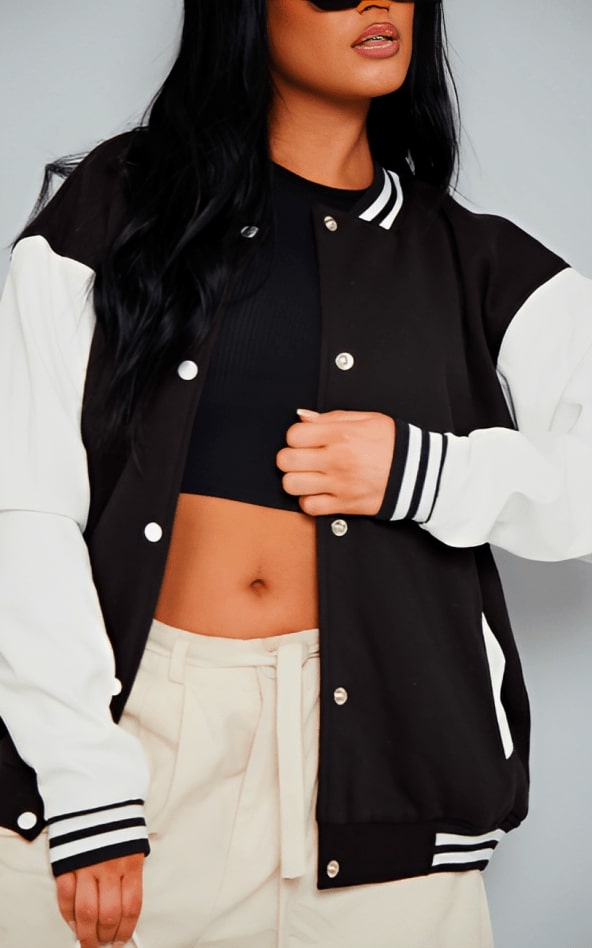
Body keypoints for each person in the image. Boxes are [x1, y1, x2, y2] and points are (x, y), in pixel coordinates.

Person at [1, 0, 591, 946]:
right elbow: (22, 503)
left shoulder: (472, 259)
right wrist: (86, 779)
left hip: (387, 777)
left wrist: (424, 473)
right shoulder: (123, 204)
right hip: (136, 749)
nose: (375, 2)